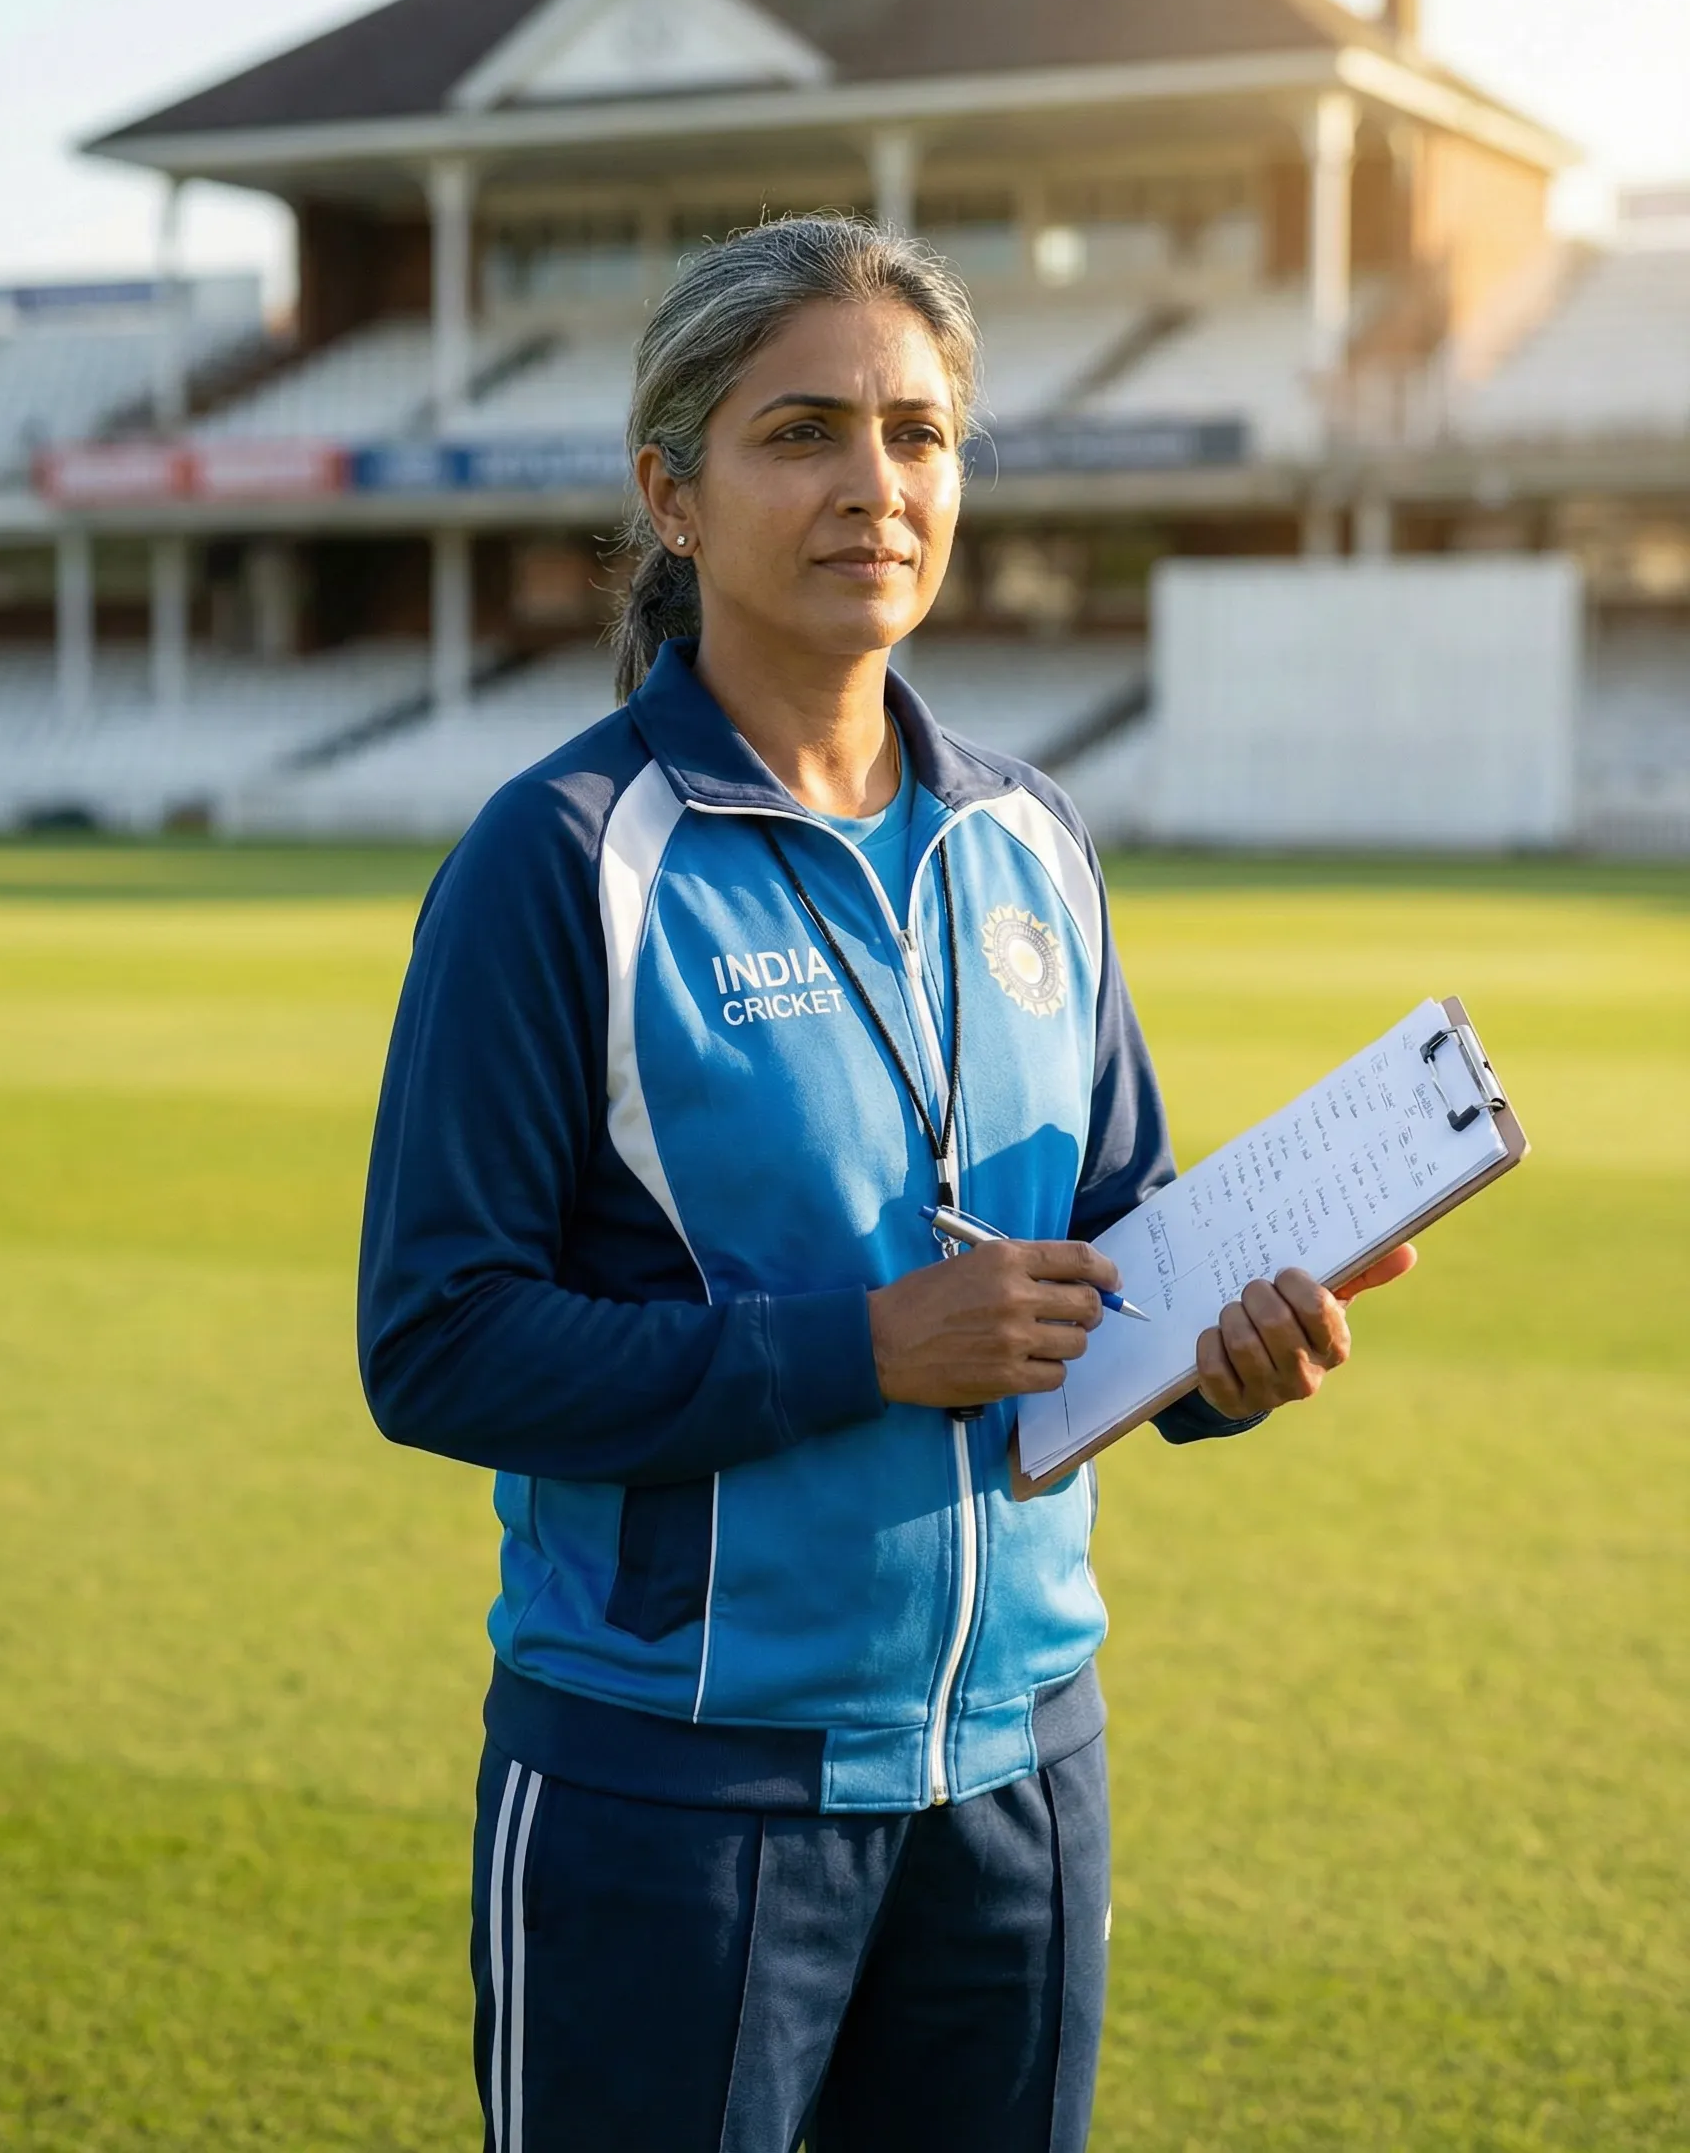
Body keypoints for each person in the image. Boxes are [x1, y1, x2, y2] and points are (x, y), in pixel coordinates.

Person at [358, 215, 1413, 2153]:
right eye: (802, 434)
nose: (873, 486)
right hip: (674, 1791)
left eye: (916, 435)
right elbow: (435, 1345)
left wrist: (1223, 1358)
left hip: (1017, 1775)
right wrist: (858, 1348)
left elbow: (1114, 1237)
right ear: (668, 493)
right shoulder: (558, 860)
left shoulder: (1032, 844)